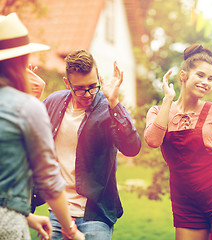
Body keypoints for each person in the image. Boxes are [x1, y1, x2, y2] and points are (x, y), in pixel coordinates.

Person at [31, 49, 141, 240]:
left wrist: (114, 101)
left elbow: (132, 147)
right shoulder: (53, 102)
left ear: (98, 78)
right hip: (58, 212)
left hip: (95, 214)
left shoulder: (108, 107)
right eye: (80, 88)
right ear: (68, 83)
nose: (88, 93)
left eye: (93, 86)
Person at [144, 44, 212, 240]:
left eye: (210, 78)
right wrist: (168, 99)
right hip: (185, 203)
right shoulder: (158, 112)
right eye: (200, 75)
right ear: (183, 76)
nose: (206, 82)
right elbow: (153, 141)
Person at [0, 12, 84, 240]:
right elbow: (48, 178)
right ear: (20, 61)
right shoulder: (26, 106)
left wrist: (28, 216)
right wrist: (70, 229)